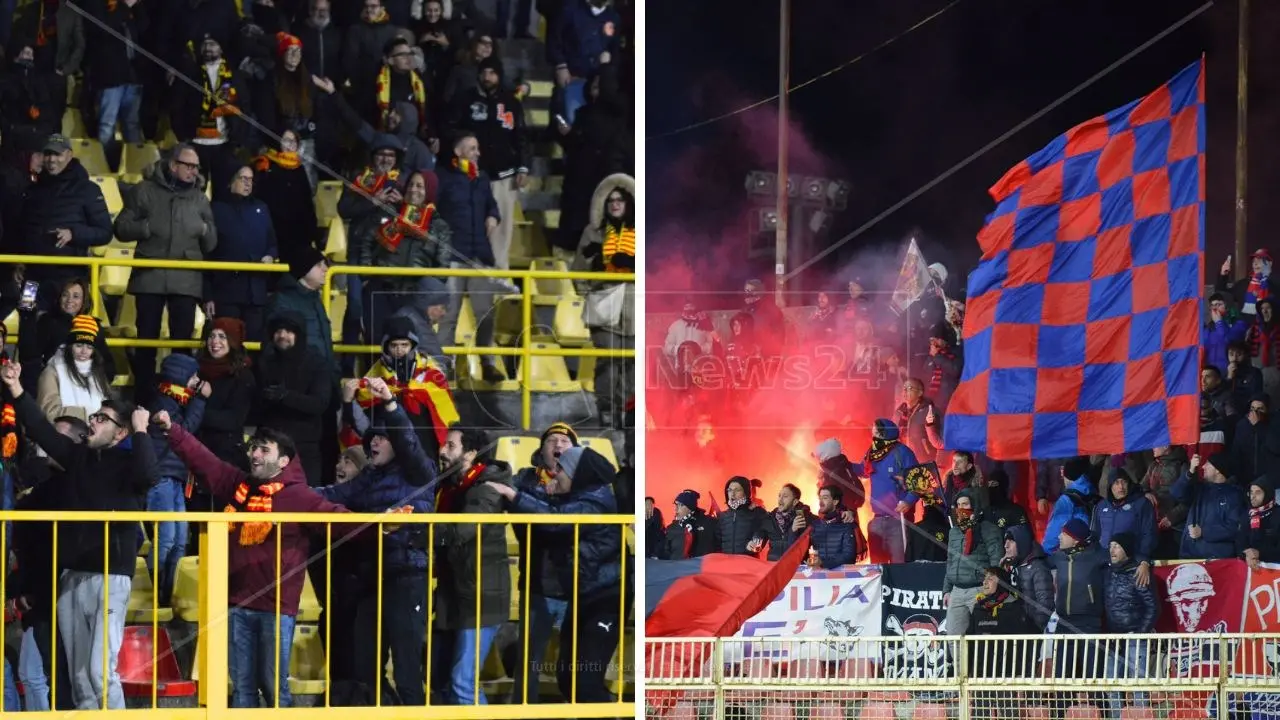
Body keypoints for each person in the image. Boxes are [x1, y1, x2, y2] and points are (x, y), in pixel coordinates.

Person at [151, 410, 351, 708]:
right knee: (242, 689)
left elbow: (341, 519)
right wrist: (174, 431)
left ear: (284, 461)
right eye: (254, 447)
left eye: (264, 449)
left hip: (276, 608)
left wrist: (383, 525)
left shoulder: (299, 497)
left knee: (273, 690)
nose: (255, 454)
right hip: (236, 603)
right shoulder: (239, 485)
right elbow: (205, 461)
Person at [3, 361, 156, 710]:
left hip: (110, 574)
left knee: (101, 673)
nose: (93, 421)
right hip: (72, 576)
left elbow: (149, 475)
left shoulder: (128, 464)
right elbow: (42, 429)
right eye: (94, 416)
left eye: (102, 419)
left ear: (120, 434)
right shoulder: (77, 457)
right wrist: (16, 389)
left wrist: (142, 430)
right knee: (80, 677)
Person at [315, 378, 435, 706]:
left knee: (408, 671)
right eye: (372, 439)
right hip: (373, 579)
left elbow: (409, 441)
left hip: (407, 576)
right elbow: (334, 494)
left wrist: (391, 405)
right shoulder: (369, 476)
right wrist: (288, 494)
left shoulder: (418, 471)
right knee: (366, 669)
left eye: (382, 438)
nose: (373, 444)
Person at [486, 446, 629, 703]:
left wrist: (512, 495)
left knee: (585, 682)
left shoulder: (595, 502)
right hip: (582, 596)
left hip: (605, 599)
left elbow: (555, 520)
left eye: (561, 470)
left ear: (577, 473)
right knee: (566, 678)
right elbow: (549, 507)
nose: (555, 474)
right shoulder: (578, 495)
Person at [431, 425, 512, 706]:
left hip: (480, 595)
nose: (442, 450)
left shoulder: (486, 488)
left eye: (451, 446)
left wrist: (418, 531)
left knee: (463, 682)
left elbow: (462, 530)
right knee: (440, 679)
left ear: (471, 454)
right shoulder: (451, 484)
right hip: (455, 593)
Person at [943, 490, 1002, 635]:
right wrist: (946, 590)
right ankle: (959, 660)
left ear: (974, 506)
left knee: (983, 637)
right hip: (956, 591)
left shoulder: (988, 528)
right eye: (958, 505)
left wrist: (992, 588)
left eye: (965, 504)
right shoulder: (954, 532)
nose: (961, 508)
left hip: (979, 590)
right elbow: (950, 561)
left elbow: (996, 559)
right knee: (953, 638)